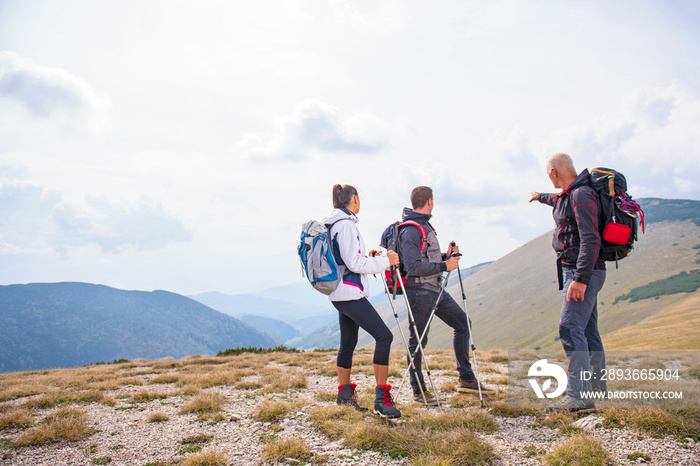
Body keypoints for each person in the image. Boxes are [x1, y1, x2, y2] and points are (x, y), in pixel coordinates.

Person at [399, 186, 495, 405]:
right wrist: (445, 265)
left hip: (434, 289)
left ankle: (466, 379)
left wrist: (445, 256)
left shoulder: (423, 226)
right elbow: (412, 266)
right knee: (418, 340)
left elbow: (424, 258)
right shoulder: (411, 229)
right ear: (430, 201)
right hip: (420, 291)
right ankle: (419, 391)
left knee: (463, 323)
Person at [529, 152, 607, 412]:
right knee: (587, 331)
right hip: (581, 272)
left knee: (570, 328)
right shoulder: (571, 193)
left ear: (553, 172)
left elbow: (590, 238)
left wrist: (581, 279)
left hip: (582, 273)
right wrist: (541, 196)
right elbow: (558, 200)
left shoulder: (580, 195)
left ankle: (580, 397)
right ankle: (596, 389)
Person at [324, 184, 402, 419]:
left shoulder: (332, 224)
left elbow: (349, 260)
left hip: (339, 292)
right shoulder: (346, 226)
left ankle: (344, 395)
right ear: (354, 199)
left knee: (347, 342)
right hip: (349, 292)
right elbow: (354, 264)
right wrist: (386, 262)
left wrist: (370, 259)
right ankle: (381, 399)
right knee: (384, 336)